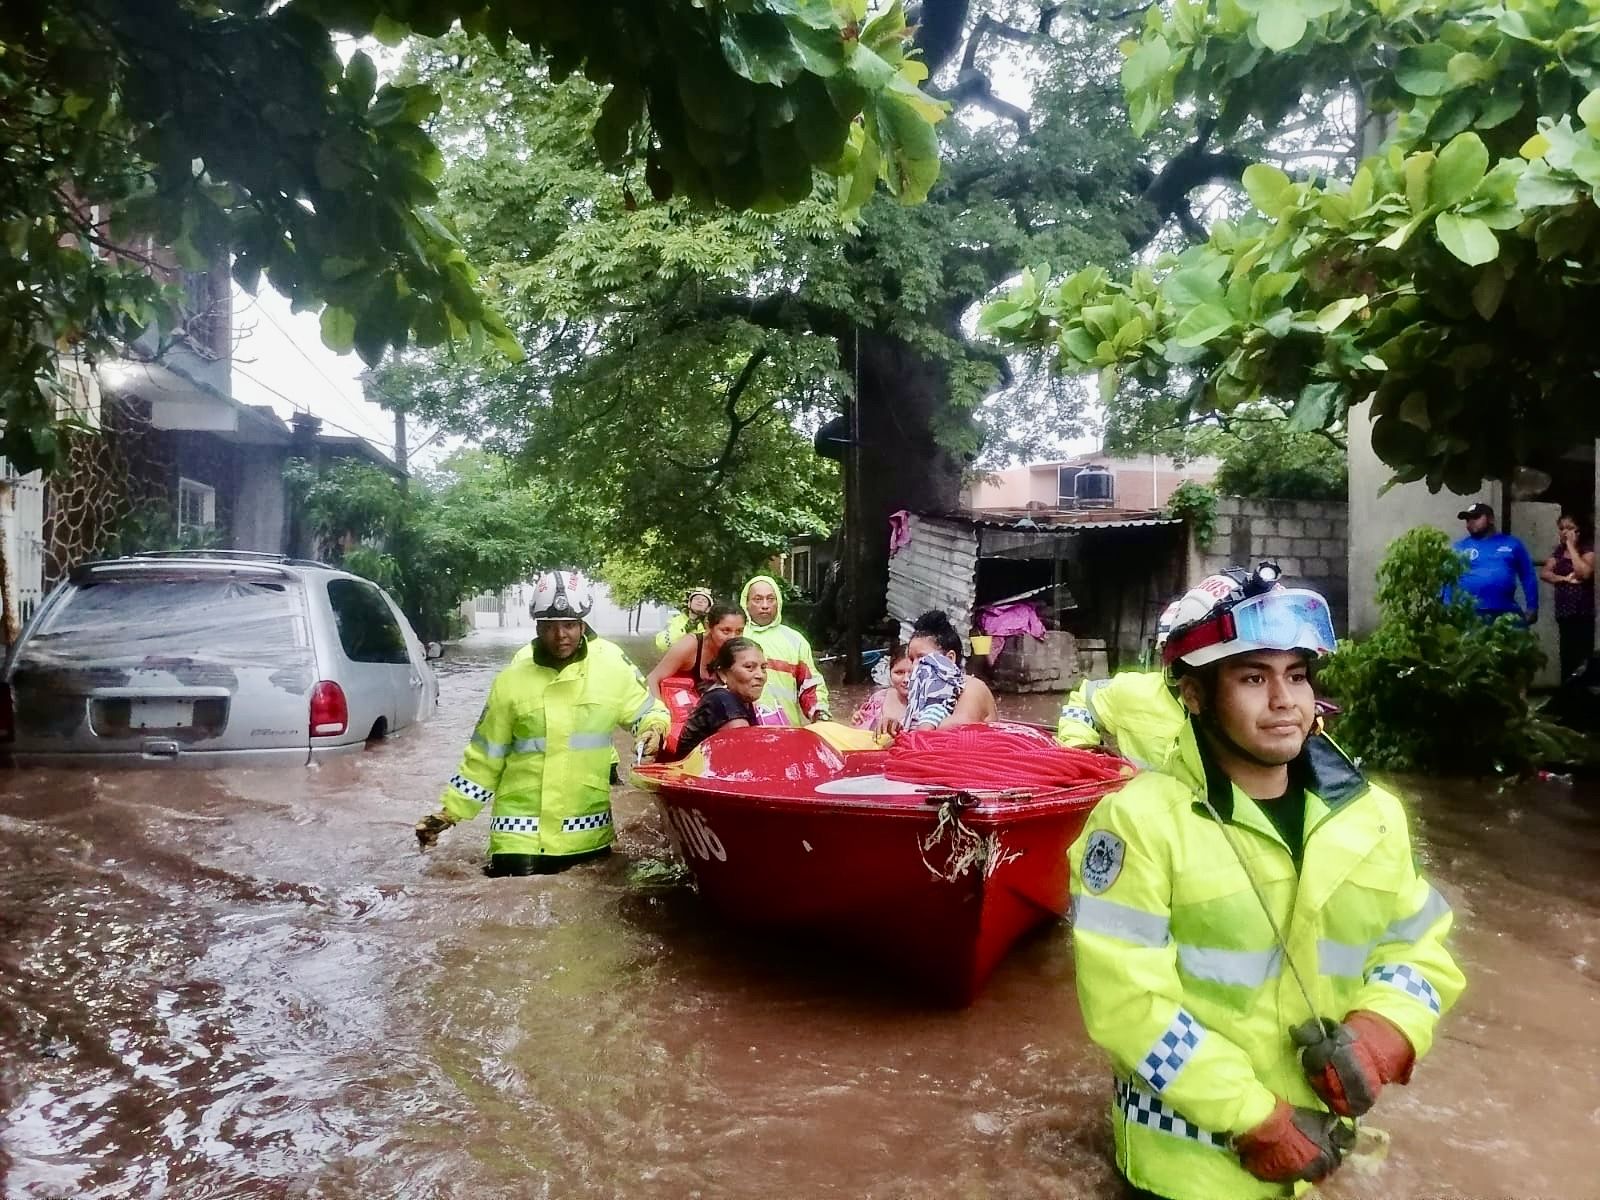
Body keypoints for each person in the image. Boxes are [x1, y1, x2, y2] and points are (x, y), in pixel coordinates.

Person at [1068, 574, 1464, 1200]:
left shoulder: (1373, 815)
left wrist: (1388, 1033)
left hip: (1318, 1154)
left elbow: (1417, 948)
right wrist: (1258, 1118)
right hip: (1187, 1171)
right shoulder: (1135, 826)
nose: (1284, 700)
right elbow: (1130, 1007)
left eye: (1297, 675)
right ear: (1194, 695)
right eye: (1253, 678)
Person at [414, 571, 670, 877]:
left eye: (569, 625)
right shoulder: (510, 682)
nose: (561, 635)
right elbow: (483, 759)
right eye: (550, 626)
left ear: (582, 626)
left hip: (587, 836)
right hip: (516, 841)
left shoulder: (612, 671)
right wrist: (449, 813)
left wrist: (653, 729)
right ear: (537, 627)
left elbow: (646, 710)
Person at [1057, 598, 1185, 768]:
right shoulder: (1137, 693)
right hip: (1138, 793)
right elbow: (1084, 700)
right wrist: (1080, 753)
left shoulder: (1227, 710)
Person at [739, 575, 831, 724]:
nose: (765, 605)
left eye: (770, 599)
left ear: (778, 602)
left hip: (787, 732)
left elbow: (810, 685)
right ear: (746, 603)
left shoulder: (795, 640)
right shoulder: (735, 635)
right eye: (757, 599)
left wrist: (820, 715)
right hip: (741, 730)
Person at [672, 637, 767, 759]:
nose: (760, 675)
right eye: (749, 667)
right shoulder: (722, 700)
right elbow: (746, 755)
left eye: (763, 668)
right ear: (723, 674)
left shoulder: (741, 699)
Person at [901, 610, 997, 730]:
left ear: (949, 658)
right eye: (911, 659)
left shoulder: (972, 687)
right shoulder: (919, 693)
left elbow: (957, 728)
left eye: (922, 658)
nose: (914, 666)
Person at [1451, 501, 1537, 623]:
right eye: (1467, 519)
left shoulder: (1512, 544)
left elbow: (1528, 576)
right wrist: (1447, 607)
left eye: (1476, 517)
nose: (1471, 522)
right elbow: (1448, 579)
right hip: (1469, 614)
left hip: (1505, 612)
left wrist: (1532, 607)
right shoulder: (1459, 547)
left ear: (1491, 519)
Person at [646, 603, 747, 699]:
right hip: (675, 707)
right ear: (708, 626)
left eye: (739, 631)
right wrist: (659, 712)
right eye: (726, 631)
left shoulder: (738, 650)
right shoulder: (689, 645)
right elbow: (652, 679)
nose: (733, 637)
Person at [1540, 512, 1595, 680]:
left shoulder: (1587, 550)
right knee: (1567, 655)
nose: (1564, 532)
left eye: (1569, 528)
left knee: (1583, 657)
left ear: (1579, 531)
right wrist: (1564, 579)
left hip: (1583, 612)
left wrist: (1571, 546)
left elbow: (1584, 573)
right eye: (1561, 529)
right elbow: (1545, 573)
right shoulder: (1558, 552)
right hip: (1564, 612)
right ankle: (1568, 694)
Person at [851, 653, 912, 733]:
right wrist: (857, 719)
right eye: (899, 672)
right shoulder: (878, 698)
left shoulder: (927, 707)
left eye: (912, 672)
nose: (906, 680)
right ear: (890, 674)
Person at [654, 586, 715, 652]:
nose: (700, 601)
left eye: (704, 601)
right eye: (696, 598)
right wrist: (686, 629)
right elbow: (662, 644)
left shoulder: (711, 626)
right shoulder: (674, 621)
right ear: (689, 603)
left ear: (708, 608)